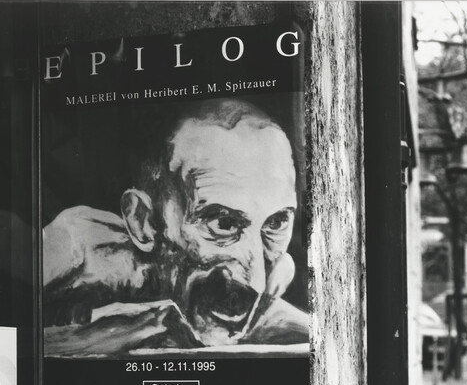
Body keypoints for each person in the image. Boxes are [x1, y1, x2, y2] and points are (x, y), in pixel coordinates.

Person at [43, 98, 308, 356]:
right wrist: (113, 335)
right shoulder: (77, 248)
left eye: (276, 222)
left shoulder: (276, 269)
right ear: (143, 222)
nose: (256, 281)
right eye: (224, 224)